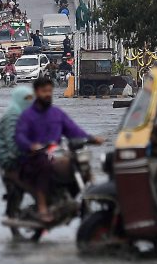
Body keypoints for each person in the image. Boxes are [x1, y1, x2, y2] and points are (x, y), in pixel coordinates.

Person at [15, 77, 102, 221]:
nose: (48, 94)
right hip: (33, 158)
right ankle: (42, 207)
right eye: (44, 91)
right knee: (44, 166)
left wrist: (92, 139)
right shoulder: (27, 116)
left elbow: (74, 130)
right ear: (36, 92)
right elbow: (20, 136)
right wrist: (31, 146)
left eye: (50, 91)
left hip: (56, 155)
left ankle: (69, 200)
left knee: (81, 167)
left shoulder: (57, 114)